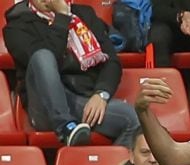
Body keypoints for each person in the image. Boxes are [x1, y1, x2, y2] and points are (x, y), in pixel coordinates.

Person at [3, 0, 140, 147]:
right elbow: (50, 59)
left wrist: (101, 94)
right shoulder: (16, 27)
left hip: (83, 101)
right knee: (42, 56)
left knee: (131, 118)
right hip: (45, 105)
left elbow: (112, 61)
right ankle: (65, 127)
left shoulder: (85, 15)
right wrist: (62, 18)